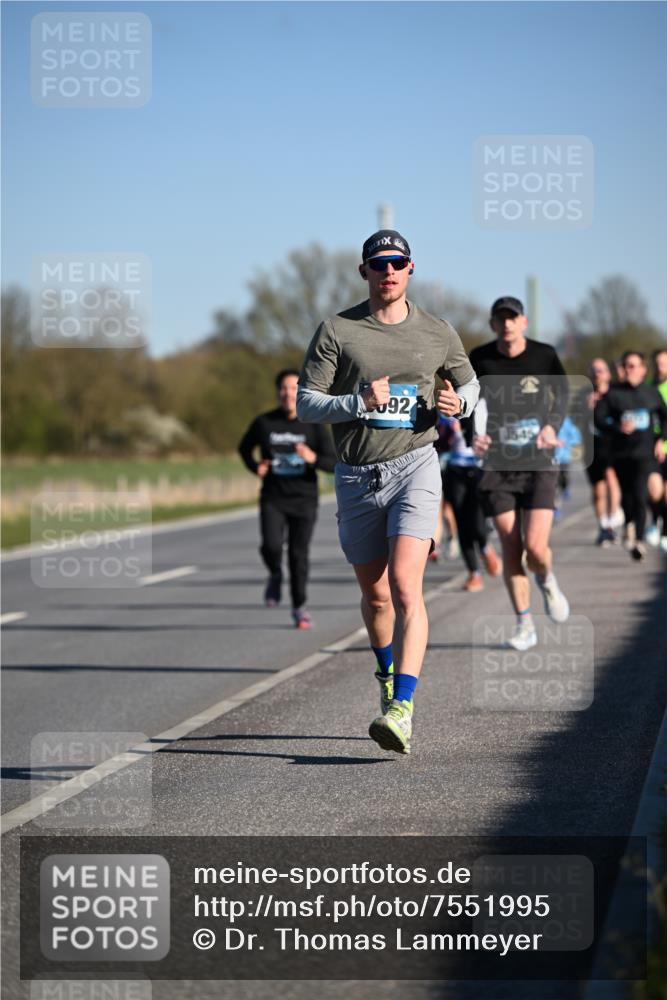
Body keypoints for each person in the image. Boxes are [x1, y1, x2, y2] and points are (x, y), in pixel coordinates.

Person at [297, 229, 479, 754]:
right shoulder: (337, 330)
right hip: (355, 475)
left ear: (411, 268)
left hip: (416, 465)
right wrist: (356, 401)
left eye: (398, 263)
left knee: (404, 586)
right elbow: (308, 403)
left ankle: (402, 708)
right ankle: (385, 672)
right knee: (375, 595)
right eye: (379, 265)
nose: (389, 272)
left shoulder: (438, 332)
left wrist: (459, 405)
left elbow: (470, 384)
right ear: (364, 273)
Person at [470, 296, 570, 652]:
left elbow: (563, 393)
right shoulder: (480, 358)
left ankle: (546, 578)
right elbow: (468, 401)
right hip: (498, 464)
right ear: (493, 324)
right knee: (511, 548)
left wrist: (551, 426)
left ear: (523, 322)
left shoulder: (544, 355)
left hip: (539, 460)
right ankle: (524, 624)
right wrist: (474, 434)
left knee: (535, 548)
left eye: (513, 318)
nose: (507, 324)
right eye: (501, 319)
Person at [238, 368, 336, 628]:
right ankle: (274, 571)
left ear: (301, 392)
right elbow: (244, 448)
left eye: (294, 388)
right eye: (283, 388)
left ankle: (299, 606)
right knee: (271, 546)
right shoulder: (264, 423)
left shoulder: (314, 424)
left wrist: (312, 458)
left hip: (304, 499)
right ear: (278, 392)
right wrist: (255, 466)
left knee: (298, 554)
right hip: (273, 497)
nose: (288, 394)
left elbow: (333, 462)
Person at [595, 350, 667, 561]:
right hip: (621, 453)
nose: (629, 369)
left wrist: (661, 440)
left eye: (634, 365)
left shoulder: (651, 393)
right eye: (626, 365)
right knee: (626, 494)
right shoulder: (613, 393)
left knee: (640, 492)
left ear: (643, 370)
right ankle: (629, 523)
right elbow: (599, 419)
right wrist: (617, 426)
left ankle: (640, 540)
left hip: (645, 453)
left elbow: (665, 418)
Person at [436, 414, 502, 590]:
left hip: (479, 469)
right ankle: (474, 573)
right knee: (462, 523)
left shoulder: (483, 405)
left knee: (478, 524)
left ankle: (485, 548)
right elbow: (437, 440)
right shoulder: (444, 410)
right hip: (455, 470)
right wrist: (448, 433)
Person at [581, 359, 622, 546]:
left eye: (601, 370)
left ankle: (613, 521)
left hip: (614, 446)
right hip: (592, 448)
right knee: (598, 490)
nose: (598, 373)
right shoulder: (583, 395)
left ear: (608, 374)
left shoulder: (616, 393)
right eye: (594, 370)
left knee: (612, 478)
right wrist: (585, 408)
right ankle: (603, 526)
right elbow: (573, 421)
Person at [650, 348, 667, 551]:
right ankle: (654, 521)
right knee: (654, 491)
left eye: (664, 362)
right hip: (650, 447)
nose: (660, 367)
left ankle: (664, 531)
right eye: (657, 362)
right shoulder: (648, 388)